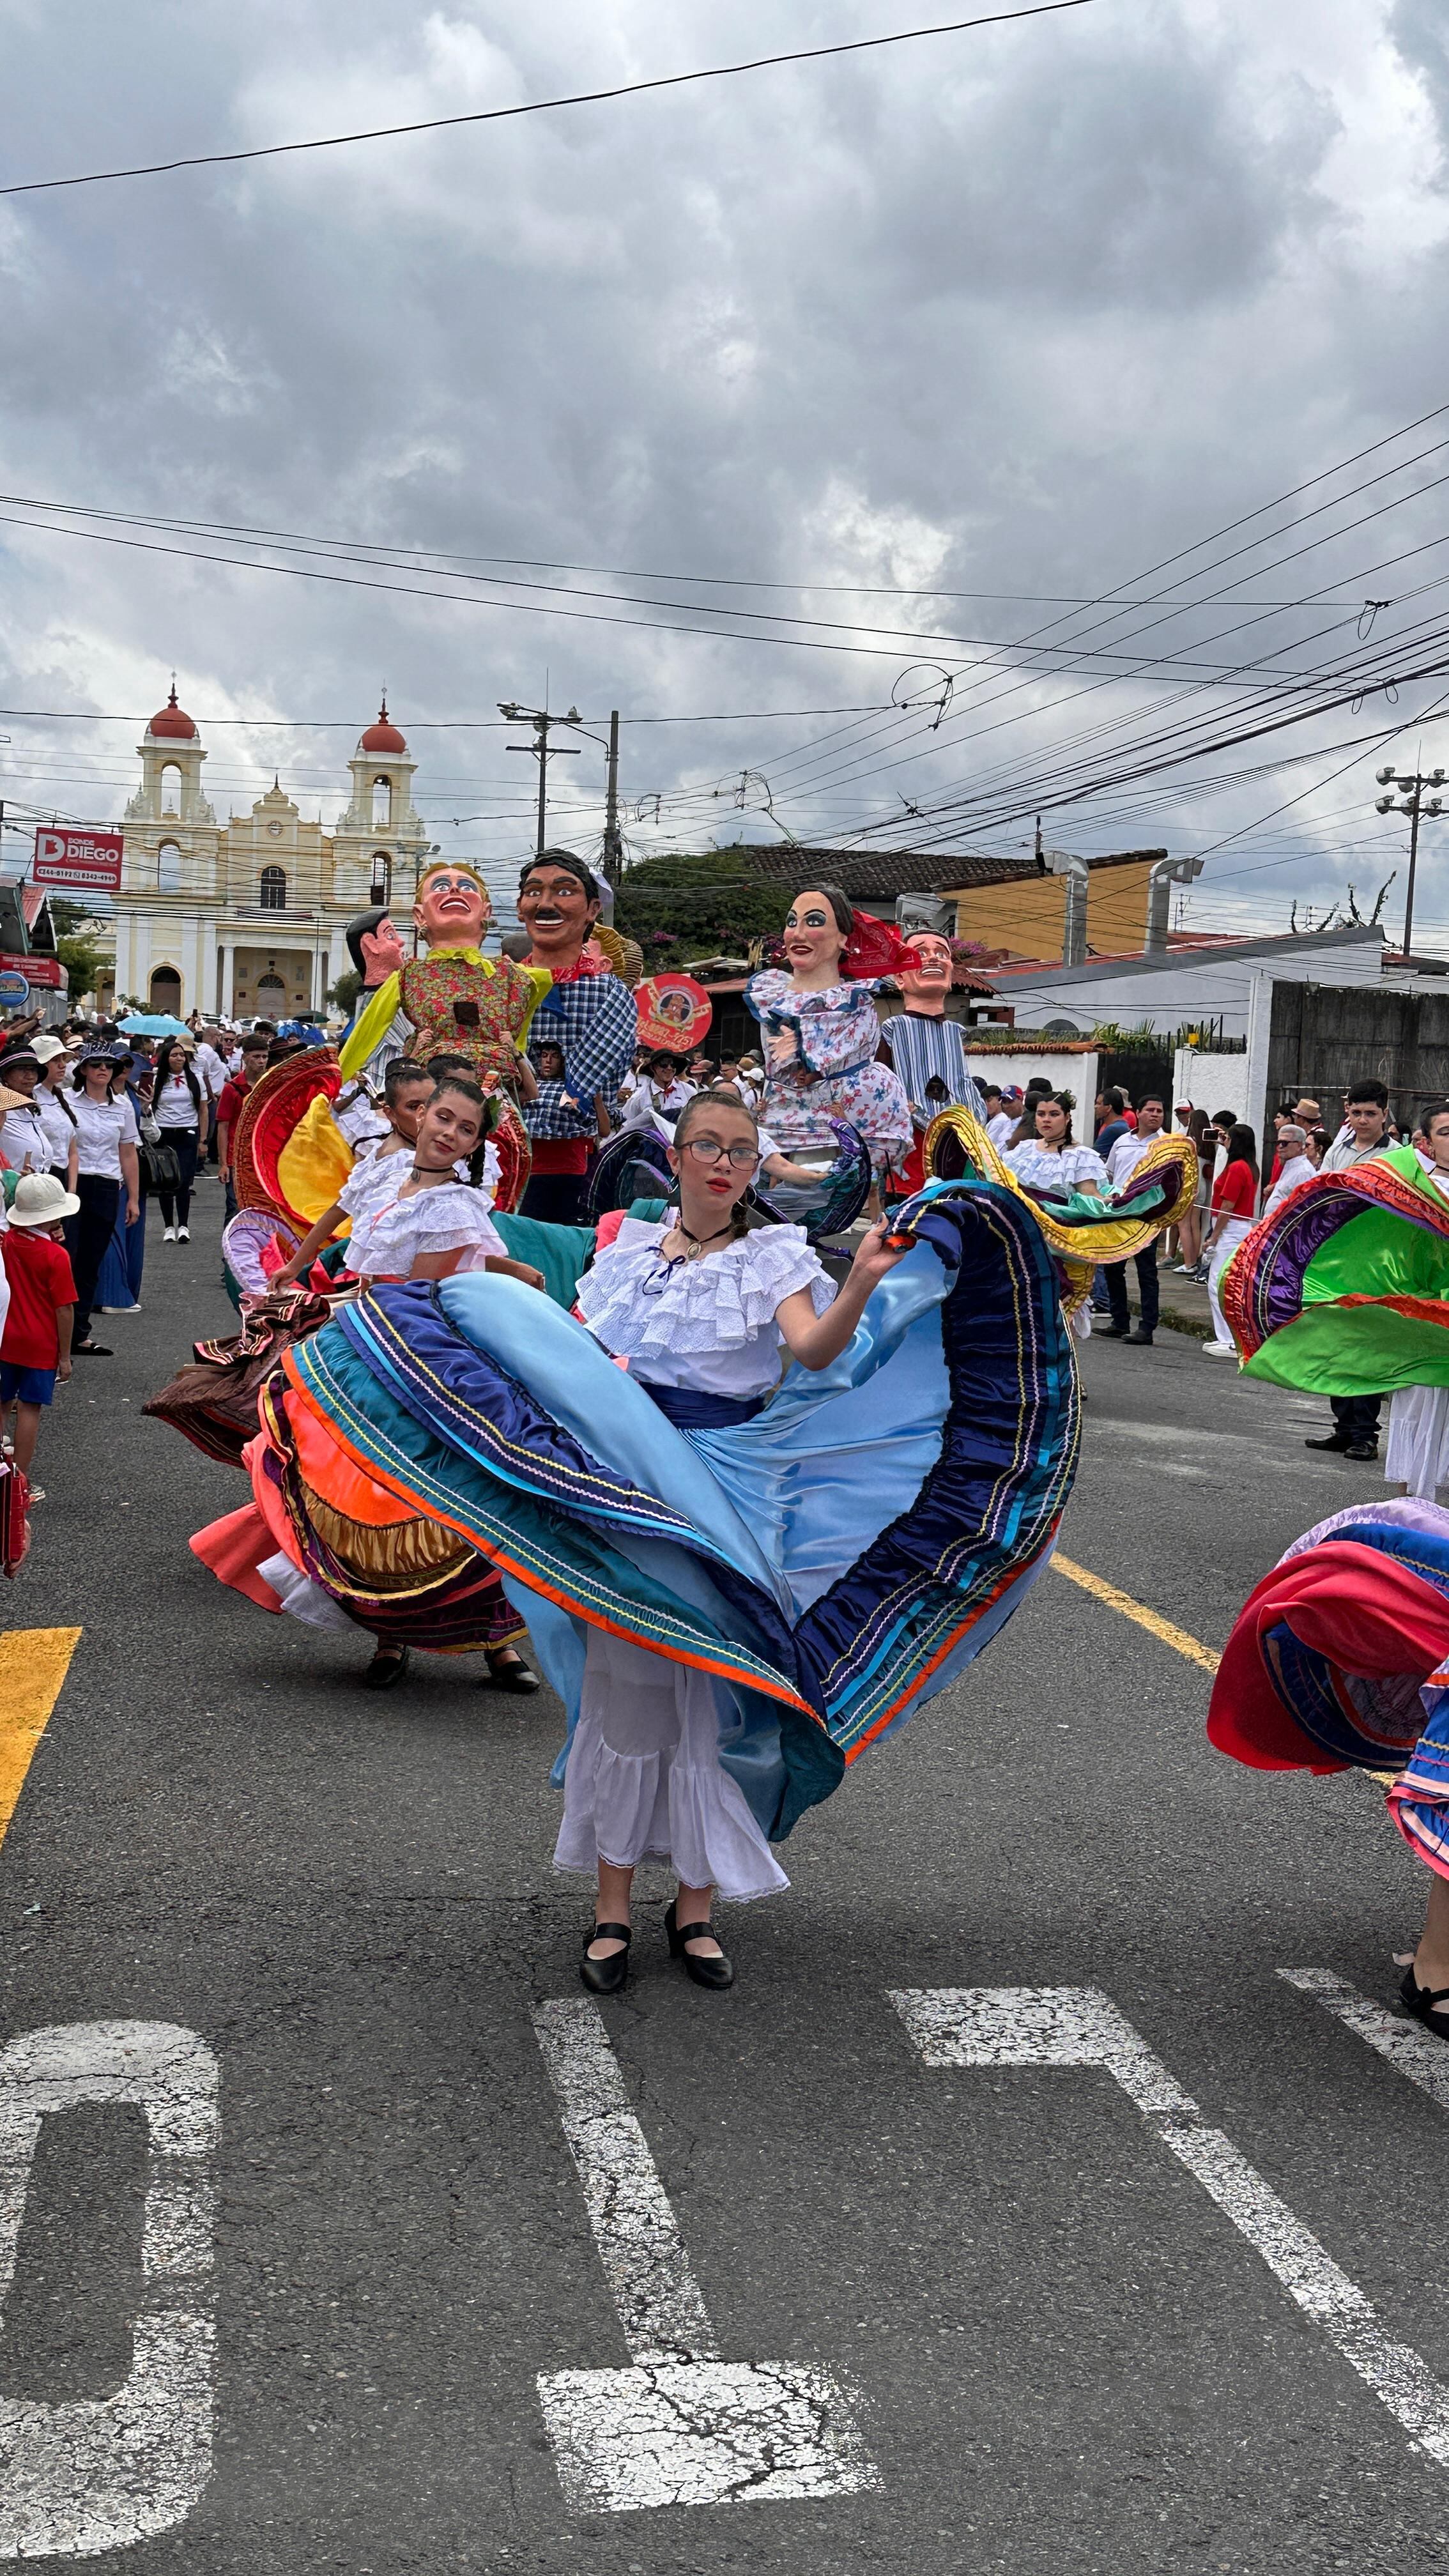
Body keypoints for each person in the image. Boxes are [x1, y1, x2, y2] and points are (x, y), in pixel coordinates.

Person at [746, 885, 912, 1188]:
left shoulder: (854, 1001)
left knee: (814, 1199)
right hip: (778, 1118)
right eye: (792, 921)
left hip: (833, 1125)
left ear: (843, 939)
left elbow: (831, 1053)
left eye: (814, 922)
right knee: (772, 1205)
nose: (798, 934)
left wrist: (798, 1045)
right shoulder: (771, 994)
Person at [516, 849, 638, 1224]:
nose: (547, 903)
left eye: (564, 891)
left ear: (593, 909)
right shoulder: (502, 986)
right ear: (521, 907)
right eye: (534, 892)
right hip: (500, 1159)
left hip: (574, 1164)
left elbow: (580, 1096)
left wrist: (524, 1097)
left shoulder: (610, 993)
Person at [271, 1061, 438, 1287]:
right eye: (413, 1107)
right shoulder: (404, 1161)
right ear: (390, 1114)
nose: (424, 1115)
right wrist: (295, 1265)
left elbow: (339, 1208)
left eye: (431, 1106)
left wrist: (295, 1264)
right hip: (398, 1285)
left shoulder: (389, 1150)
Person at [1301, 1078, 1393, 1457]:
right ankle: (1343, 1427)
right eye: (1356, 1113)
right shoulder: (1338, 1149)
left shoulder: (1397, 1156)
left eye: (1370, 1113)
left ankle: (1365, 1435)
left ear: (1385, 1114)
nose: (1362, 1120)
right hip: (1335, 1258)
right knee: (1335, 1343)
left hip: (1375, 1263)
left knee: (1366, 1347)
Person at [877, 930, 987, 1194]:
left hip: (960, 1140)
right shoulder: (894, 1028)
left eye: (941, 953)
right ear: (900, 977)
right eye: (920, 954)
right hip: (914, 1146)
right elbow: (879, 1088)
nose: (934, 959)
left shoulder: (954, 1032)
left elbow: (960, 1083)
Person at [0, 1171, 77, 1503]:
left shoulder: (7, 1242)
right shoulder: (56, 1257)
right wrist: (65, 1355)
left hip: (5, 1335)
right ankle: (19, 1482)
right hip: (41, 1342)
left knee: (2, 1403)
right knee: (30, 1408)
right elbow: (64, 1310)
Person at [68, 1042, 140, 1357]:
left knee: (90, 1261)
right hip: (73, 1183)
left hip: (108, 1186)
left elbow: (128, 1151)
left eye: (108, 1066)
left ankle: (79, 1334)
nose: (103, 1070)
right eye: (96, 1064)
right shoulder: (67, 1101)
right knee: (65, 1257)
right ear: (83, 1069)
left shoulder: (122, 1105)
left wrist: (133, 1198)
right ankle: (54, 1332)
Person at [1098, 1094, 1168, 1344]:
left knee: (1146, 1272)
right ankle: (1119, 1320)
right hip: (1118, 1212)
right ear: (1138, 1112)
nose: (1156, 1114)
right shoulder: (1122, 1141)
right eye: (1150, 1110)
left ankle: (1147, 1327)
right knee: (1113, 1266)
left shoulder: (1167, 1145)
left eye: (1159, 1111)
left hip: (1147, 1215)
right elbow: (1110, 1173)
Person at [1200, 1120, 1258, 1358]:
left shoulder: (1236, 1169)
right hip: (1236, 1227)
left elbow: (1227, 1205)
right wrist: (1224, 1142)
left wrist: (1214, 1237)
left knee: (1217, 1283)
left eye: (1229, 1138)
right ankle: (1228, 1337)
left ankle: (1227, 1338)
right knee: (1225, 1282)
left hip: (1230, 1228)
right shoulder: (1248, 1166)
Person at [151, 1035, 209, 1241]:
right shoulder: (157, 1078)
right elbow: (149, 1103)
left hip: (187, 1132)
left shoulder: (195, 1080)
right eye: (174, 1055)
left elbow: (203, 1110)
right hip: (163, 1133)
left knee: (184, 1181)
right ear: (166, 1058)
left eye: (182, 1055)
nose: (179, 1059)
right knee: (166, 1181)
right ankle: (168, 1227)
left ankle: (184, 1226)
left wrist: (203, 1139)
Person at [1004, 1091, 1108, 1199]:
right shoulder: (1025, 1148)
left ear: (1067, 1118)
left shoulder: (1080, 1156)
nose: (1046, 1120)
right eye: (1041, 1114)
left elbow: (1091, 1197)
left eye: (1054, 1114)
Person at [216, 1036, 270, 1218]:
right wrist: (224, 1164)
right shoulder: (232, 1088)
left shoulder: (271, 1084)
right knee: (236, 1209)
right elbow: (223, 1126)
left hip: (265, 1156)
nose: (261, 1062)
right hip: (237, 1158)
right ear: (245, 1057)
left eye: (264, 1057)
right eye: (256, 1057)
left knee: (265, 1209)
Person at [0, 1045, 52, 1176]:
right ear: (5, 1075)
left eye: (33, 1070)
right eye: (22, 1069)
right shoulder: (3, 1109)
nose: (30, 1076)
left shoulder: (29, 1110)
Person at [31, 1038, 78, 1183]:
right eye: (54, 1060)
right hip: (39, 1176)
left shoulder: (62, 1098)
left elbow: (72, 1151)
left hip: (62, 1176)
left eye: (63, 1059)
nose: (62, 1065)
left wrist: (72, 1188)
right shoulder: (30, 1099)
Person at [618, 1051, 696, 1130]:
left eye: (673, 1064)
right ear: (653, 1068)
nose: (669, 1068)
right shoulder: (639, 1096)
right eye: (664, 1064)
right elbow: (625, 1126)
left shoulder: (689, 1092)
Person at [1261, 1123, 1317, 1218]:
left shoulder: (1303, 1172)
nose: (1280, 1147)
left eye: (1284, 1143)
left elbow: (1302, 1211)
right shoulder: (1291, 1167)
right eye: (1278, 1143)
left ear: (1299, 1145)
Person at [1093, 1089, 1130, 1160]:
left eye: (1099, 1104)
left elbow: (1093, 1155)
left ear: (1109, 1108)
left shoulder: (1114, 1129)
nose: (1095, 1107)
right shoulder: (1122, 1125)